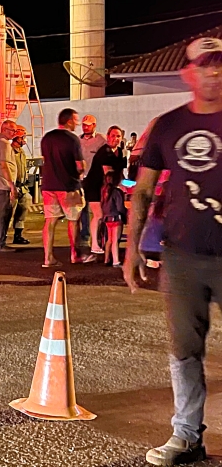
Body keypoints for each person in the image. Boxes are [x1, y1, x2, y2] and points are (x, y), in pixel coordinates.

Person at [124, 37, 222, 466]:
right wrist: (132, 249)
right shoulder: (167, 125)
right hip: (182, 256)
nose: (213, 73)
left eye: (220, 65)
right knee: (184, 349)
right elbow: (142, 191)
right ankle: (187, 437)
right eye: (205, 65)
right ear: (189, 72)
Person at [40, 108, 87, 267]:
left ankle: (48, 258)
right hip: (68, 186)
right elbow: (79, 166)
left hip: (48, 185)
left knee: (50, 221)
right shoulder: (73, 139)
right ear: (68, 121)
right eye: (76, 120)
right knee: (73, 220)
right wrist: (82, 169)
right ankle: (75, 255)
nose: (78, 123)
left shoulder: (47, 138)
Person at [83, 126, 127, 256]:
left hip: (106, 188)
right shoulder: (104, 152)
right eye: (113, 136)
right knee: (98, 215)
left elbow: (120, 173)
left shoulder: (119, 151)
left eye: (118, 136)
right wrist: (123, 185)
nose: (115, 139)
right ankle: (94, 245)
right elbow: (108, 173)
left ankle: (104, 241)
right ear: (108, 137)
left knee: (106, 215)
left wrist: (127, 183)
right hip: (95, 186)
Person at [0, 119, 19, 253]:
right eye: (12, 130)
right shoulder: (4, 144)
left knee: (3, 214)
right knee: (3, 215)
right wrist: (12, 185)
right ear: (4, 130)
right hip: (3, 184)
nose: (14, 133)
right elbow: (4, 165)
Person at [78, 114, 107, 245]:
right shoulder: (78, 140)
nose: (85, 128)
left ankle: (99, 235)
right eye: (84, 125)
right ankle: (84, 234)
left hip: (95, 179)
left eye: (88, 125)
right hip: (81, 178)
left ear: (94, 125)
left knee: (97, 209)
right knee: (81, 207)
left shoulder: (101, 140)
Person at [10, 125, 31, 245]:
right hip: (13, 186)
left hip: (22, 186)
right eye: (22, 137)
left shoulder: (21, 152)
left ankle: (18, 235)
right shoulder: (9, 151)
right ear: (16, 137)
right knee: (8, 211)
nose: (24, 139)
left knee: (23, 208)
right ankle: (1, 237)